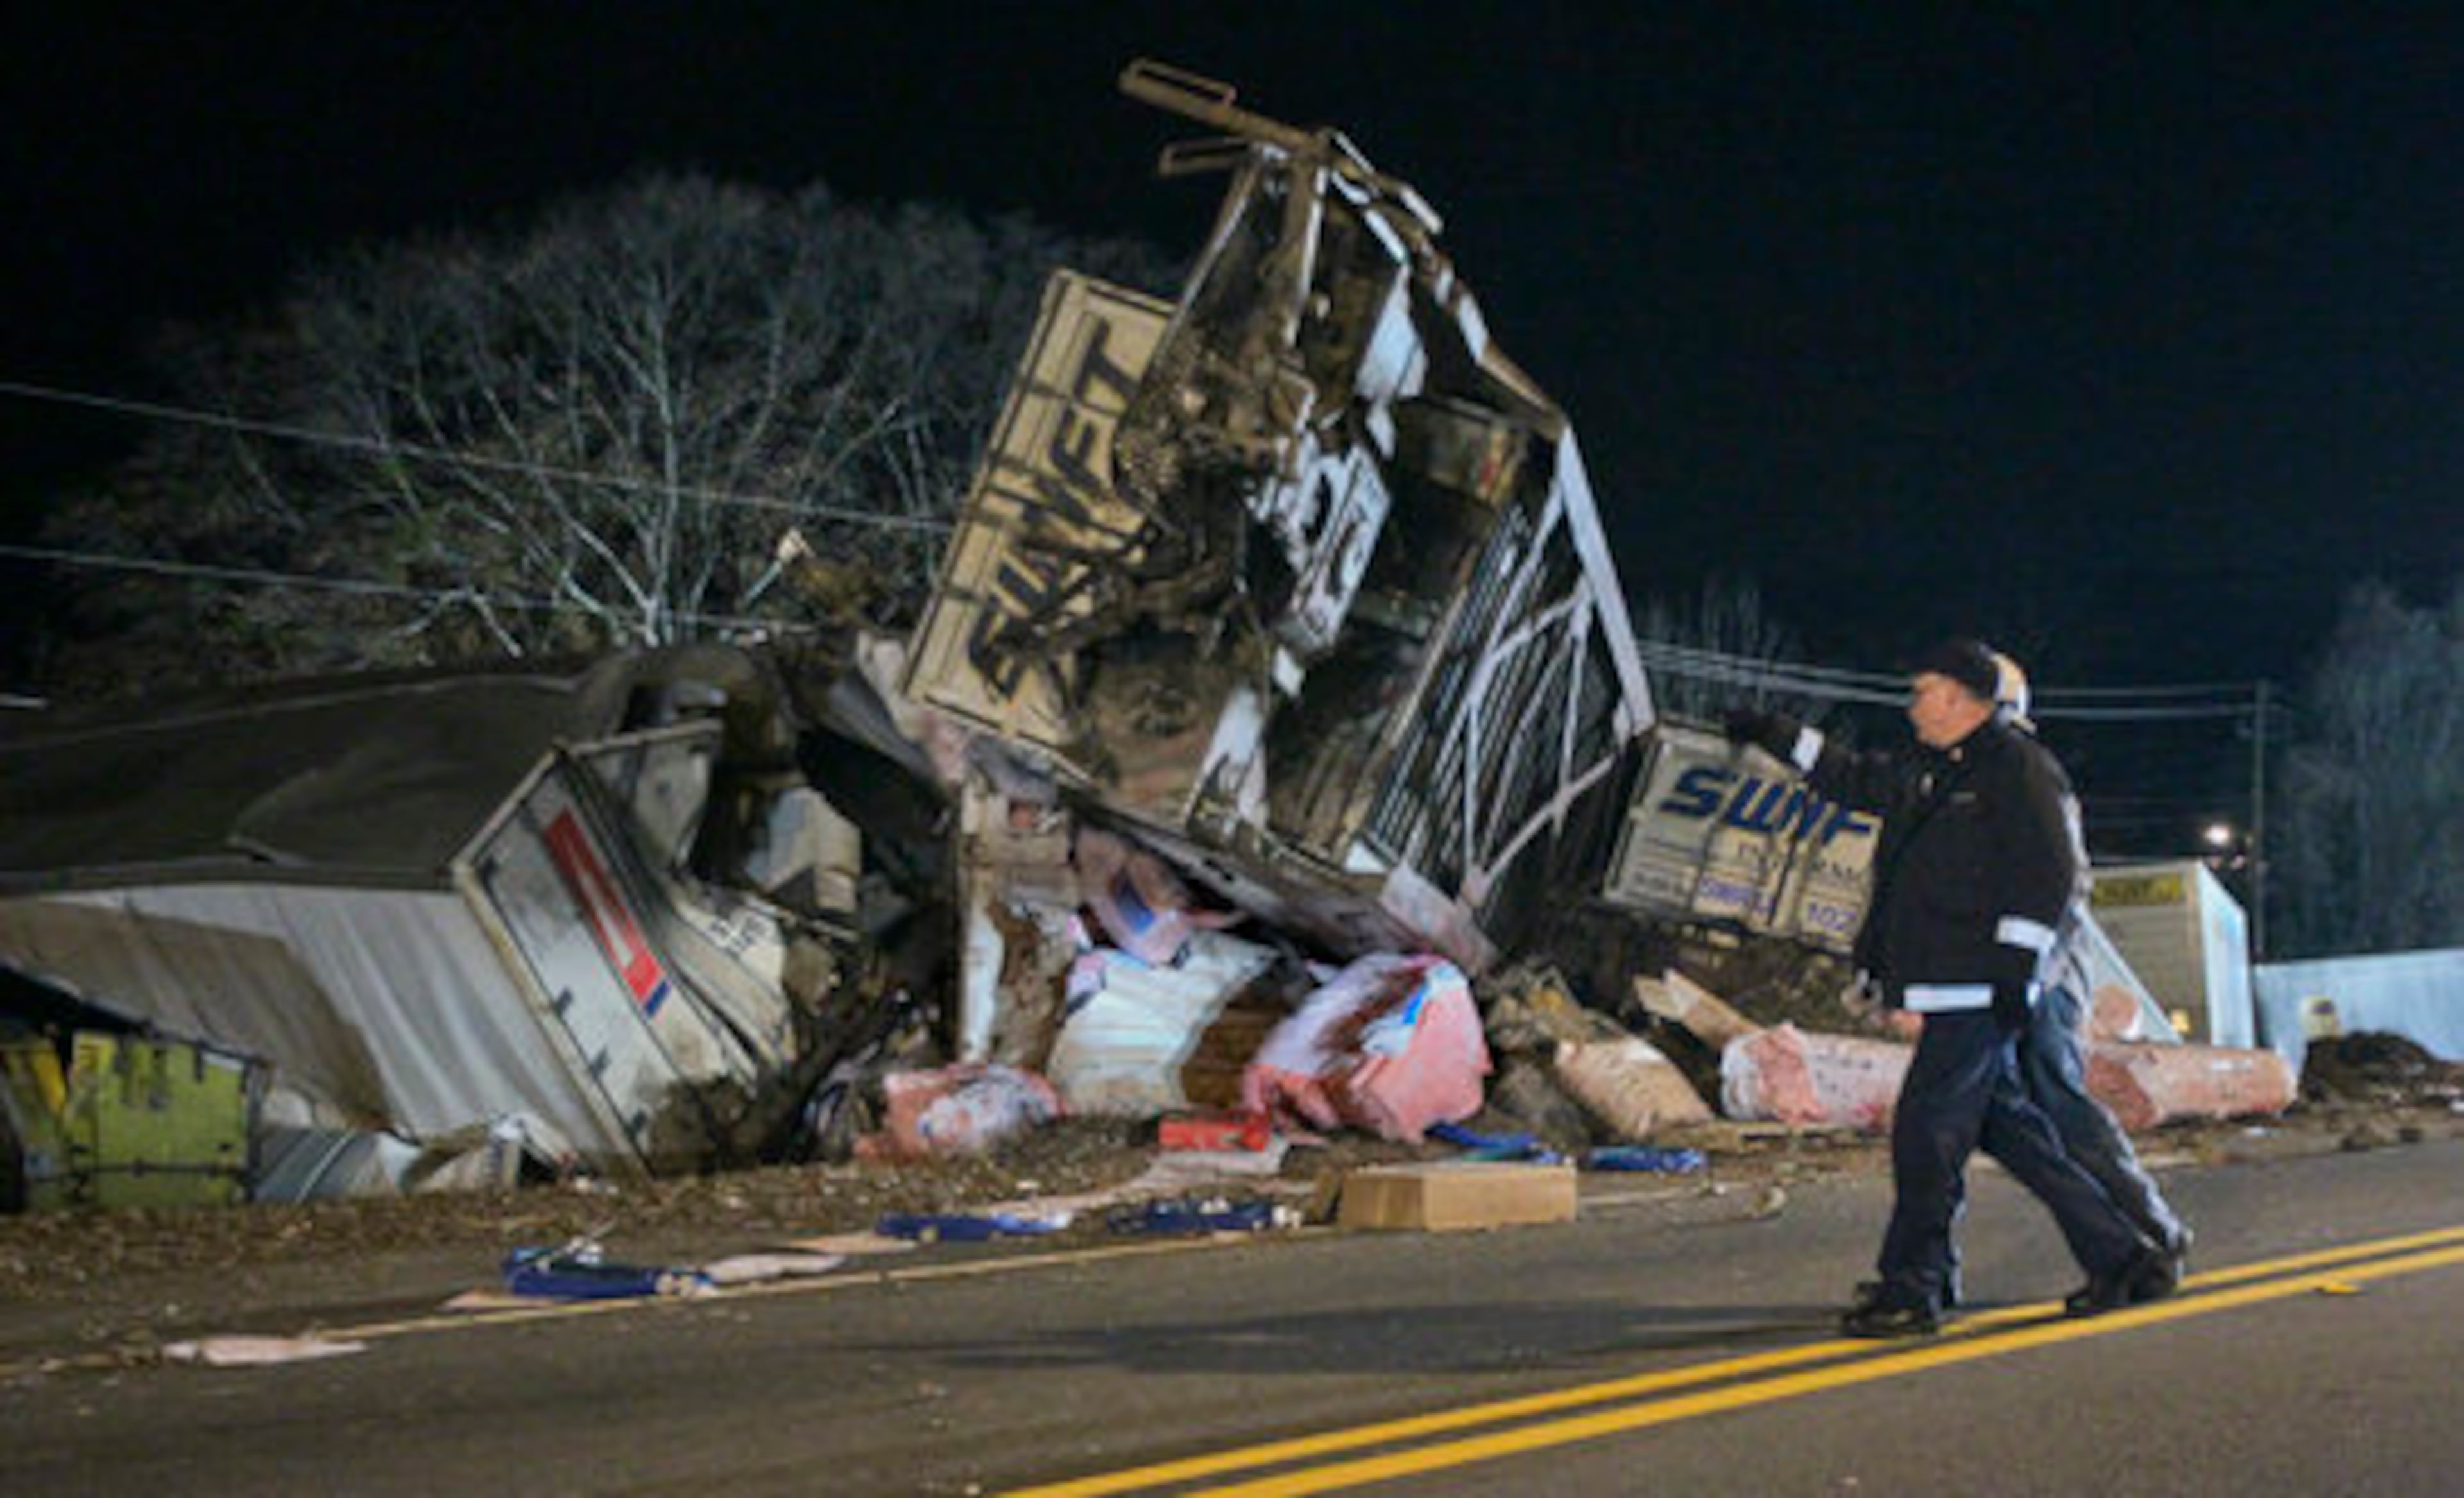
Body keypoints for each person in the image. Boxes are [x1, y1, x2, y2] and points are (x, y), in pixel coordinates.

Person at [1724, 638, 2177, 1336]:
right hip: (1951, 991)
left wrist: (2012, 974)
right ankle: (2122, 1255)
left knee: (1928, 1136)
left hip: (1980, 990)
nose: (1911, 706)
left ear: (1966, 699)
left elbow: (2050, 875)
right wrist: (1777, 734)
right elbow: (1855, 778)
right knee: (2012, 1131)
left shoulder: (2019, 770)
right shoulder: (1941, 772)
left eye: (1923, 691)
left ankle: (1915, 1288)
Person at [1987, 651, 2194, 1274]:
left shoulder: (2024, 775)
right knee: (1995, 1113)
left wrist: (2026, 975)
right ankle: (1922, 1274)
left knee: (2058, 1102)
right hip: (1993, 982)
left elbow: (2064, 889)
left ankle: (2148, 1225)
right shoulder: (1973, 779)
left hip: (2038, 983)